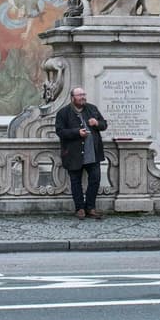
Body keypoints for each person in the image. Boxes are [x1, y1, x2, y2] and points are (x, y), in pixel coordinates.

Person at [55, 86, 109, 220]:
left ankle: (90, 207)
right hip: (73, 155)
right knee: (75, 182)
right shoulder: (63, 112)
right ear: (72, 98)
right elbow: (60, 131)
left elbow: (104, 125)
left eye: (84, 94)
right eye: (79, 95)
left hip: (93, 154)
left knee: (95, 180)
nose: (83, 97)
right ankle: (79, 208)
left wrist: (97, 123)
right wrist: (77, 133)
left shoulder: (92, 109)